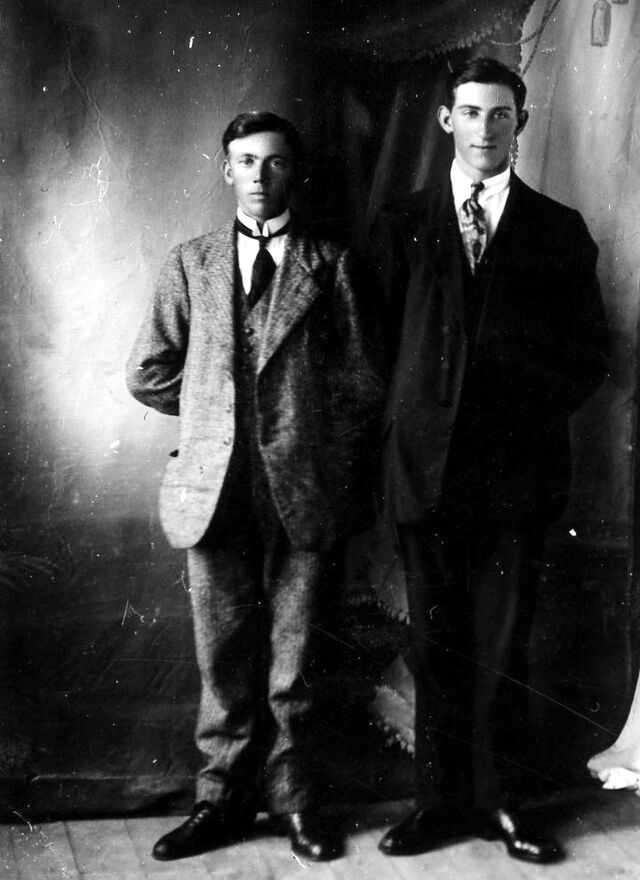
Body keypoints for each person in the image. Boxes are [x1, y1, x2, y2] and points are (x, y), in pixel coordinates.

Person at [126, 111, 384, 862]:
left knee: (296, 658)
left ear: (295, 172)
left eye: (274, 162)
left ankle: (297, 802)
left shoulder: (330, 263)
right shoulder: (191, 263)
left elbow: (364, 382)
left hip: (304, 486)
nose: (260, 176)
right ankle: (220, 802)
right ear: (226, 170)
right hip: (213, 489)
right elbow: (148, 370)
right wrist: (215, 415)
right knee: (222, 653)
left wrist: (309, 436)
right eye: (245, 161)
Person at [370, 57, 609, 864]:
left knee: (505, 645)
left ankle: (507, 803)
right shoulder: (401, 222)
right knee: (436, 644)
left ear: (521, 123)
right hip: (423, 474)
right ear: (446, 120)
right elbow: (373, 348)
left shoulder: (557, 229)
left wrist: (514, 413)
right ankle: (438, 805)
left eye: (500, 114)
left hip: (516, 475)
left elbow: (587, 355)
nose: (484, 129)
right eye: (470, 113)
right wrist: (416, 422)